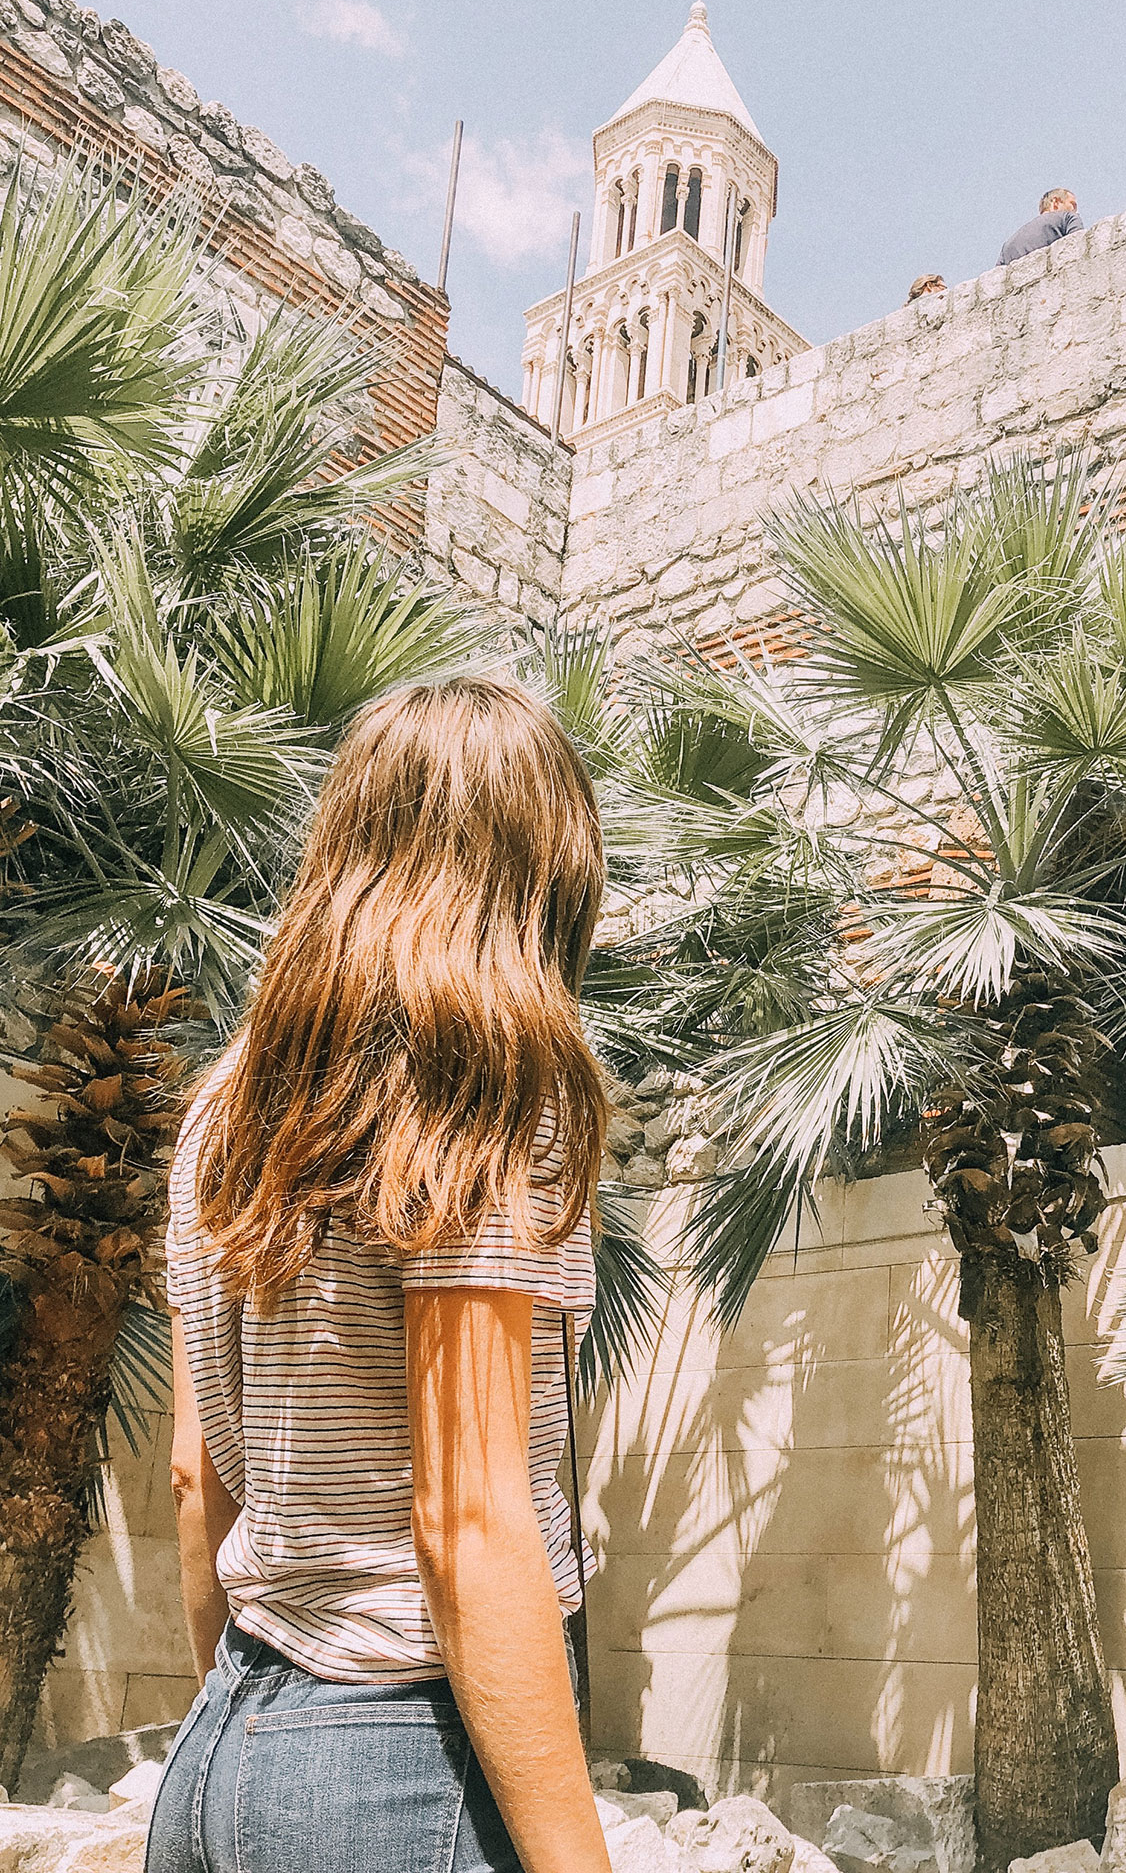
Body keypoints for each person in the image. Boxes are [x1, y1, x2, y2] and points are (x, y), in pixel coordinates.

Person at [148, 678, 615, 1873]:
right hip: (406, 1768)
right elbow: (469, 1523)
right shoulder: (487, 1086)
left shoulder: (228, 1105)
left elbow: (197, 1477)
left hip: (220, 1754)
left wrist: (255, 1754)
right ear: (546, 861)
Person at [997, 188, 1083, 265]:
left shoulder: (1007, 244)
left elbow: (997, 276)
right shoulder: (1068, 217)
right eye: (1073, 205)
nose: (1076, 211)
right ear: (1055, 202)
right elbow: (1078, 245)